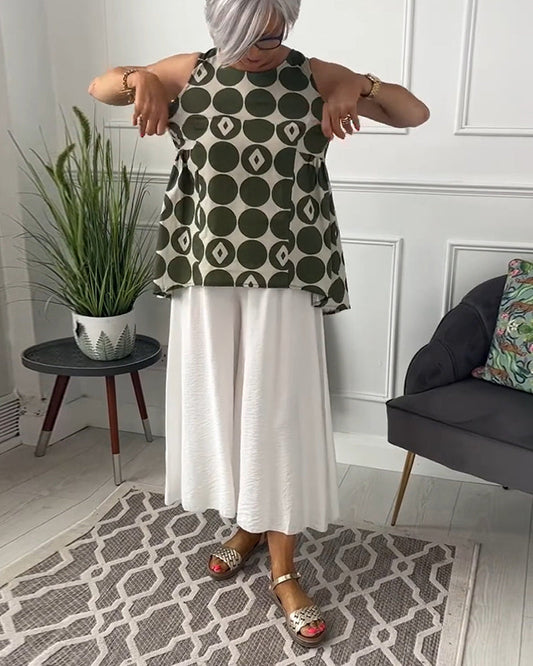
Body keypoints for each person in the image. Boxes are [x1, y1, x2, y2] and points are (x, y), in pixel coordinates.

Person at [89, 0, 429, 648]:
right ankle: (248, 524)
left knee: (277, 420)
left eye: (275, 36)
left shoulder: (311, 74)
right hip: (204, 275)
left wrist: (360, 87)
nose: (263, 48)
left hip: (283, 279)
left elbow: (413, 113)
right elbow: (100, 85)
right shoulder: (189, 70)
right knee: (227, 413)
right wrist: (142, 79)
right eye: (251, 36)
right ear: (222, 26)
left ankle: (284, 569)